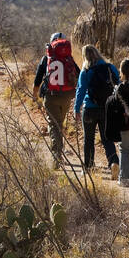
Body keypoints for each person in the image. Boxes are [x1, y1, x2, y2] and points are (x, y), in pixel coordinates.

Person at [73, 45, 120, 179]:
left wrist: (76, 109)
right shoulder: (110, 67)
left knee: (88, 139)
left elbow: (81, 91)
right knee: (107, 138)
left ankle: (88, 167)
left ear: (85, 56)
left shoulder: (85, 71)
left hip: (89, 110)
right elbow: (118, 84)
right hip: (106, 109)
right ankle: (113, 162)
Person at [32, 32, 78, 162]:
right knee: (60, 124)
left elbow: (37, 79)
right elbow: (79, 74)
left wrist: (34, 95)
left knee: (54, 124)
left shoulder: (46, 59)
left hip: (51, 96)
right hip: (67, 96)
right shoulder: (69, 59)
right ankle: (59, 150)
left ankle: (56, 156)